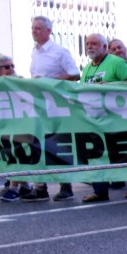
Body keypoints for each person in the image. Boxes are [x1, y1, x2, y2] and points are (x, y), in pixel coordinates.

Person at [25, 17, 80, 201]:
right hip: (39, 107)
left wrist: (50, 82)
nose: (34, 31)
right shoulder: (35, 51)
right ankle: (41, 187)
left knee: (58, 146)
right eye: (33, 28)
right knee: (39, 146)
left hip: (57, 108)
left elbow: (74, 74)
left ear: (49, 31)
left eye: (38, 28)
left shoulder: (59, 52)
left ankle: (66, 186)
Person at [80, 33, 127, 202]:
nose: (90, 46)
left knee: (123, 153)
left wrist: (109, 86)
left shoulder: (116, 62)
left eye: (94, 43)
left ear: (104, 47)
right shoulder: (87, 69)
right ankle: (100, 191)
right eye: (88, 43)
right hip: (95, 120)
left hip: (117, 119)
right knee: (97, 155)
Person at [0, 56, 31, 203]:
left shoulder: (20, 81)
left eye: (13, 66)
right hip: (4, 125)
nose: (12, 69)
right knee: (9, 154)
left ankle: (14, 188)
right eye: (7, 67)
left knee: (17, 153)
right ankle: (26, 185)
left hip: (21, 124)